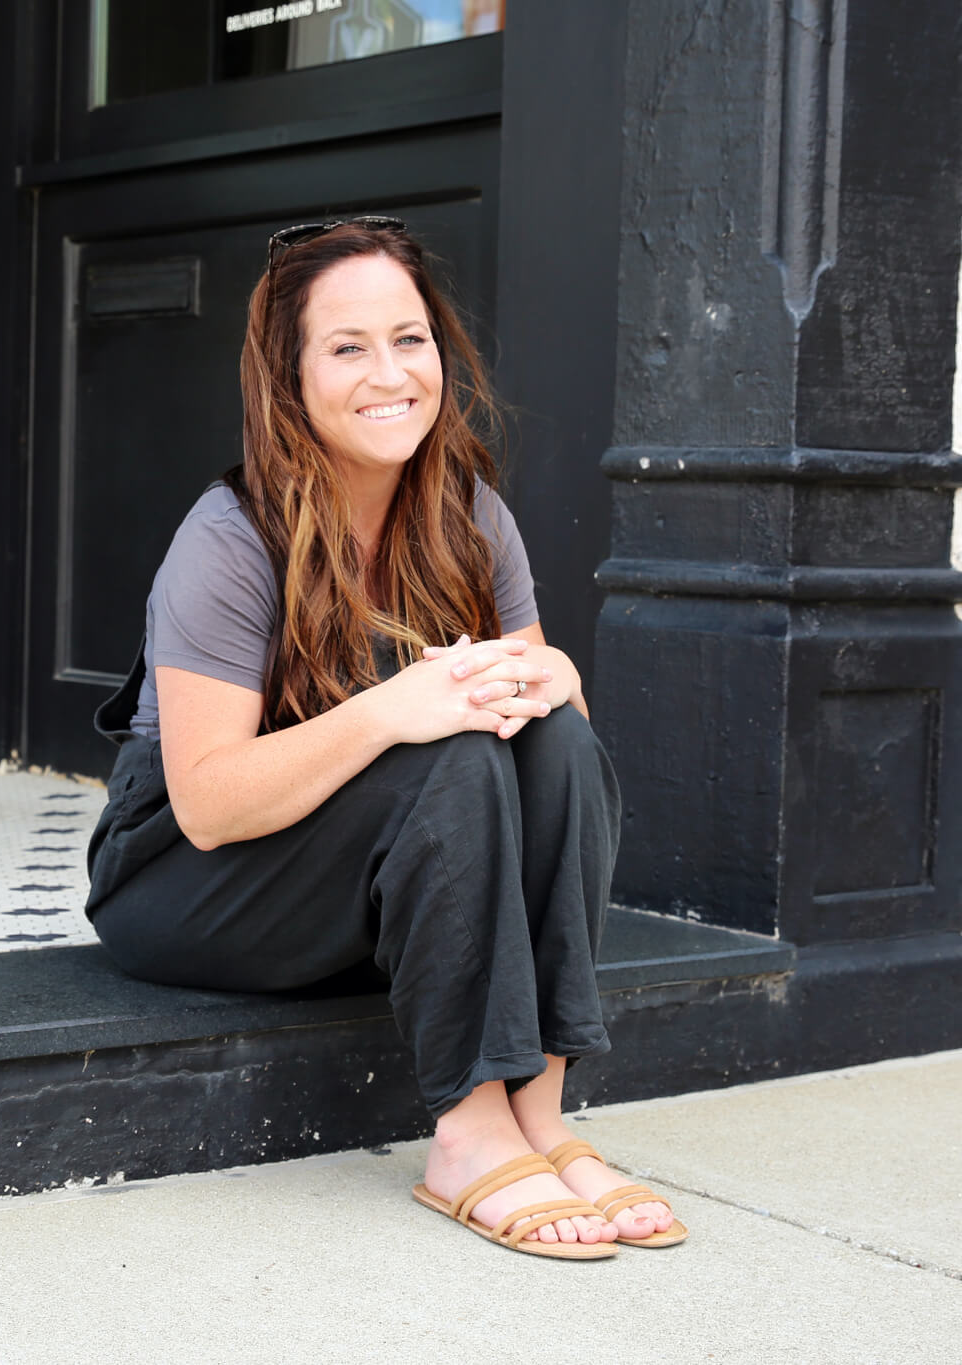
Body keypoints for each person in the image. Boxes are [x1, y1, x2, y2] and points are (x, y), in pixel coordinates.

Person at [83, 217, 684, 1259]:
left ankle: (539, 1111)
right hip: (184, 881)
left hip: (360, 887)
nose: (389, 373)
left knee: (552, 740)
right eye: (346, 346)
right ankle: (465, 1134)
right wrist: (385, 711)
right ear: (289, 376)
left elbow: (543, 758)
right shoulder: (228, 539)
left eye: (409, 340)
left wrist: (559, 680)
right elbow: (209, 806)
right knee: (441, 752)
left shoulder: (469, 515)